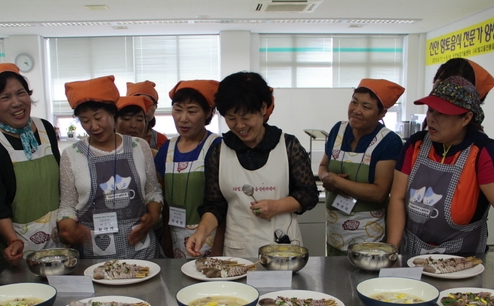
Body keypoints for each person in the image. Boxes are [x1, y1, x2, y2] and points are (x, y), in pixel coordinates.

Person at [387, 76, 494, 284]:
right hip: (412, 258)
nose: (432, 119)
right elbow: (398, 197)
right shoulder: (415, 145)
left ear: (466, 118)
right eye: (431, 110)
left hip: (463, 264)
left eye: (442, 113)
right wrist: (392, 249)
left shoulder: (484, 152)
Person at [186, 72, 318, 258]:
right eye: (231, 118)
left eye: (246, 117)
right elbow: (214, 205)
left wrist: (277, 206)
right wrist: (202, 231)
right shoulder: (219, 152)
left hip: (283, 248)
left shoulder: (287, 146)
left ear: (263, 108)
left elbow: (309, 194)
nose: (239, 125)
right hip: (238, 249)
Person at [57, 75, 163, 259]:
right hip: (96, 251)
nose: (94, 126)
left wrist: (152, 217)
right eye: (85, 120)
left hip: (141, 250)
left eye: (99, 117)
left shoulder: (139, 147)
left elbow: (153, 192)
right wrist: (67, 228)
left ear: (113, 113)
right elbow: (67, 206)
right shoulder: (72, 155)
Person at [0, 63, 61, 266]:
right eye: (5, 97)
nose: (17, 102)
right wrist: (13, 240)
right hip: (17, 245)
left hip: (58, 238)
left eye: (21, 93)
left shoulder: (44, 127)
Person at [318, 79, 405, 255]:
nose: (356, 110)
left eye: (366, 106)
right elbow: (322, 166)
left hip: (369, 233)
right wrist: (325, 177)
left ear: (382, 114)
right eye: (354, 102)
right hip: (335, 230)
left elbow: (379, 192)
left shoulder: (389, 141)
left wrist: (336, 181)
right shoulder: (338, 130)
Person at [153, 80, 222, 258]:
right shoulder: (167, 148)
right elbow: (164, 196)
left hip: (209, 237)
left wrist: (219, 247)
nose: (183, 118)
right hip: (175, 233)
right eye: (177, 109)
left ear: (208, 113)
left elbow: (223, 204)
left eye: (192, 111)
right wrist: (166, 239)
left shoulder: (216, 147)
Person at [126, 81, 167, 152]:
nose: (144, 107)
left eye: (148, 103)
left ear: (155, 107)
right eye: (138, 103)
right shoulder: (113, 140)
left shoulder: (161, 140)